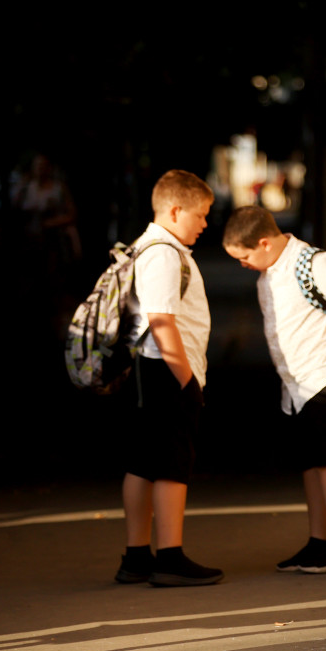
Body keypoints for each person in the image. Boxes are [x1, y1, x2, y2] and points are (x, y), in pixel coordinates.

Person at [222, 206, 326, 574]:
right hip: (300, 385)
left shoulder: (313, 262)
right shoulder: (269, 273)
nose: (242, 264)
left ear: (263, 243)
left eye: (244, 257)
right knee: (312, 465)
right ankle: (320, 543)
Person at [115, 170, 223, 586]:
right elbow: (161, 320)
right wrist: (187, 380)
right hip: (166, 369)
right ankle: (169, 557)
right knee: (171, 464)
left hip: (154, 368)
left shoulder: (156, 247)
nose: (205, 223)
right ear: (175, 210)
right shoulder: (162, 252)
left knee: (143, 464)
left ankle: (138, 556)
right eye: (200, 214)